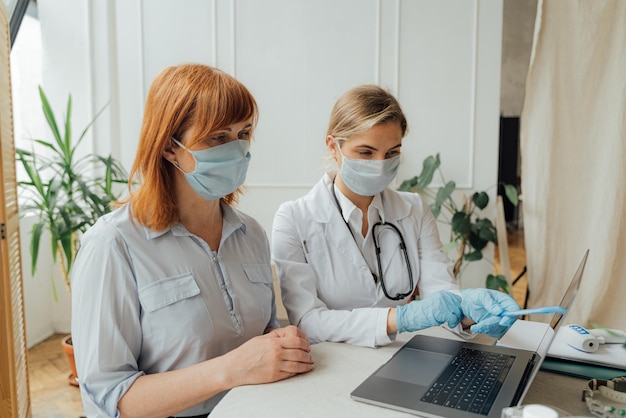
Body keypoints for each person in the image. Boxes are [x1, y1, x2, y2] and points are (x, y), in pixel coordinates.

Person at [71, 64, 314, 418]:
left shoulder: (252, 234)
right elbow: (113, 397)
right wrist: (230, 370)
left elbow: (264, 342)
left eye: (244, 133)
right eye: (218, 137)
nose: (238, 149)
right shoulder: (112, 245)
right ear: (170, 147)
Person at [271, 84, 520, 348]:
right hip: (331, 365)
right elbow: (308, 321)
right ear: (334, 147)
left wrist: (471, 312)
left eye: (392, 153)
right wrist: (398, 318)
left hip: (401, 357)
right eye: (366, 152)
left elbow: (442, 295)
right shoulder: (294, 219)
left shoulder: (413, 209)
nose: (380, 165)